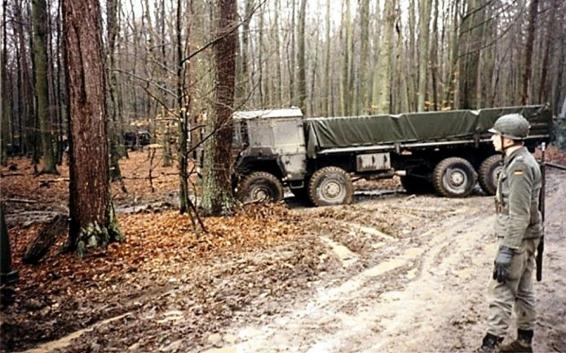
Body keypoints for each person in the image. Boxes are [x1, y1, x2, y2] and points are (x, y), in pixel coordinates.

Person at [477, 114, 543, 353]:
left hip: (517, 238)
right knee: (523, 289)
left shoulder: (520, 167)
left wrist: (507, 248)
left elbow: (519, 213)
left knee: (501, 289)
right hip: (525, 237)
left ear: (508, 138)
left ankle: (490, 345)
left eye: (497, 135)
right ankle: (524, 342)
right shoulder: (517, 160)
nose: (493, 138)